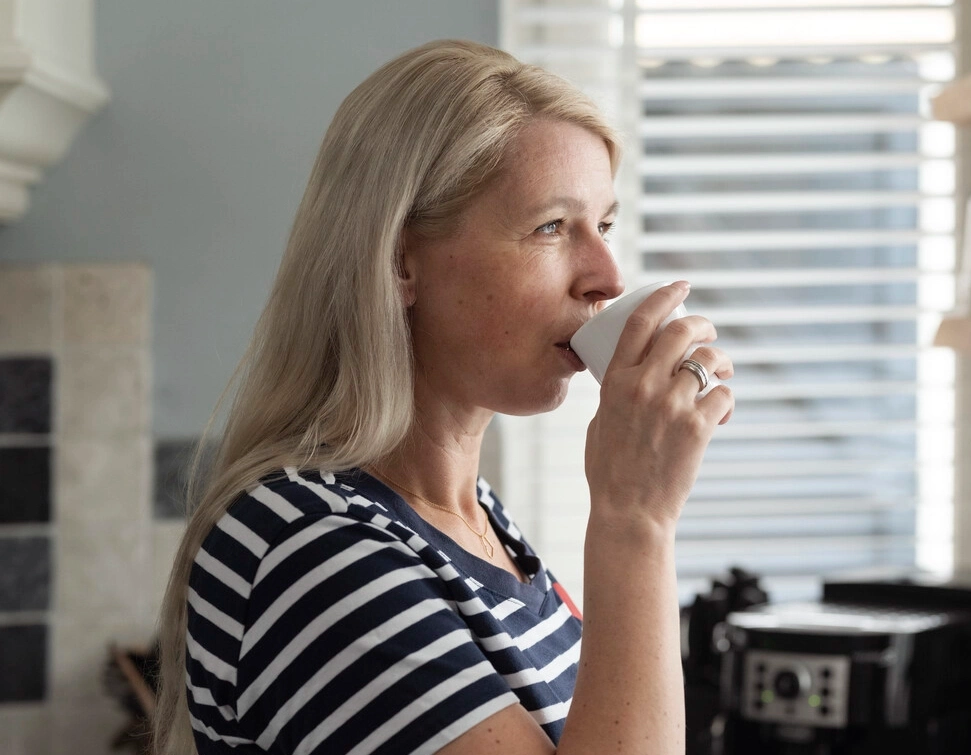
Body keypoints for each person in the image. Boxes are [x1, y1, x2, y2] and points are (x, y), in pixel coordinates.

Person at [154, 39, 734, 755]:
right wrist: (635, 519)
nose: (606, 276)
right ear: (401, 262)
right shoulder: (309, 550)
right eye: (551, 227)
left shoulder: (474, 522)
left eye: (604, 225)